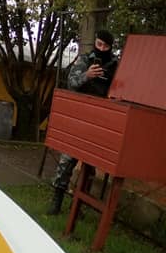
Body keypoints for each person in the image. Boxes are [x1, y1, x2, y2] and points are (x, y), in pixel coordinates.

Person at [46, 29, 119, 215]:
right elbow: (71, 83)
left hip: (100, 119)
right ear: (95, 42)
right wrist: (87, 75)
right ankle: (56, 200)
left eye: (106, 46)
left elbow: (119, 90)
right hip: (81, 116)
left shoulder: (114, 66)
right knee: (67, 160)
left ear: (111, 47)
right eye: (99, 44)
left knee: (90, 167)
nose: (101, 48)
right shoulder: (84, 59)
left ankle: (77, 205)